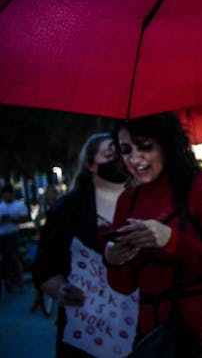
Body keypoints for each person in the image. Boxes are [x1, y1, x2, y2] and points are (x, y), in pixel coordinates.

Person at [104, 113, 202, 358]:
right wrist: (114, 260)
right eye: (126, 150)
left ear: (165, 144)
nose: (135, 159)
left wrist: (172, 241)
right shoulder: (128, 201)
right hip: (154, 339)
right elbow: (123, 286)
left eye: (145, 147)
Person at [31, 133, 130, 355]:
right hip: (85, 331)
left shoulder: (141, 200)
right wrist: (61, 290)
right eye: (109, 154)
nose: (118, 160)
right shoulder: (68, 208)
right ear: (90, 165)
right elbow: (43, 268)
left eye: (122, 152)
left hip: (134, 329)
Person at [0, 183, 28, 293]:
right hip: (1, 235)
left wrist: (13, 219)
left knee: (14, 256)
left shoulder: (18, 205)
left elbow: (24, 219)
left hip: (12, 234)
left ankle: (20, 280)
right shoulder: (1, 206)